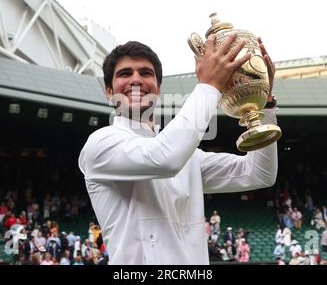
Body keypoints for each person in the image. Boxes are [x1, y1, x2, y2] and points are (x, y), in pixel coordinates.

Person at [78, 34, 279, 264]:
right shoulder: (100, 144)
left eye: (145, 73)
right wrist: (209, 85)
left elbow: (259, 173)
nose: (136, 80)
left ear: (158, 88)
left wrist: (264, 103)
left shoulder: (187, 157)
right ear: (109, 92)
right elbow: (164, 159)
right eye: (125, 74)